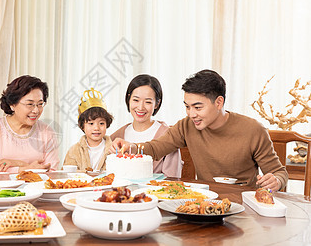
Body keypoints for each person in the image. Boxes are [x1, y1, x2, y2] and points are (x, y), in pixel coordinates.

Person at [112, 69, 288, 191]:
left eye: (198, 107)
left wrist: (276, 181)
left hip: (243, 207)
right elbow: (157, 147)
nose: (192, 114)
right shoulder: (187, 126)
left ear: (219, 102)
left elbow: (280, 173)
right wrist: (132, 147)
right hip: (204, 201)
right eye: (187, 107)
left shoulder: (253, 130)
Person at [0, 75, 59, 172]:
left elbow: (52, 171)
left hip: (37, 186)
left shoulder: (46, 131)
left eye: (40, 104)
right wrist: (22, 169)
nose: (36, 110)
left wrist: (19, 164)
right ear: (12, 104)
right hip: (1, 186)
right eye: (30, 104)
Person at [110, 74, 182, 177]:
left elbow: (172, 180)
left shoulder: (169, 137)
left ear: (157, 104)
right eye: (136, 100)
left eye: (148, 102)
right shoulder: (116, 137)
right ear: (128, 99)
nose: (140, 107)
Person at [63, 88, 114, 172]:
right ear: (82, 126)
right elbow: (67, 174)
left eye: (101, 123)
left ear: (107, 125)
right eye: (91, 123)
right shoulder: (74, 150)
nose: (96, 128)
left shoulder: (113, 149)